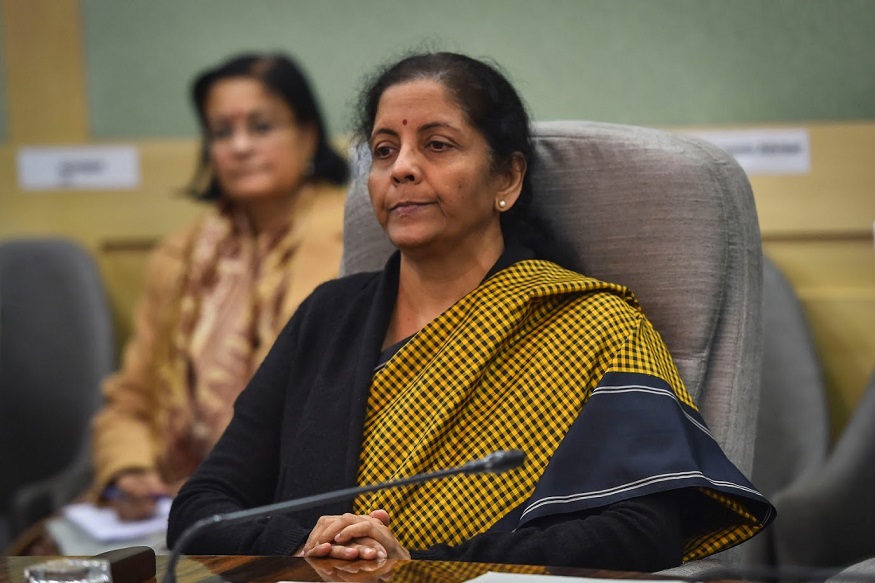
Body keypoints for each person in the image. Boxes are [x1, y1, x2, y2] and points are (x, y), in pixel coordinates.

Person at [167, 51, 774, 571]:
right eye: (384, 149)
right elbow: (203, 508)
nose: (402, 166)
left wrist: (418, 570)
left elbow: (643, 528)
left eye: (437, 144)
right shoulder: (327, 318)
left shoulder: (593, 325)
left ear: (506, 177)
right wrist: (309, 548)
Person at [90, 53, 349, 521]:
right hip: (167, 505)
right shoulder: (180, 256)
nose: (240, 146)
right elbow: (131, 399)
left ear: (308, 135)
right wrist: (129, 468)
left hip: (296, 507)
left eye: (262, 126)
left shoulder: (354, 244)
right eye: (222, 132)